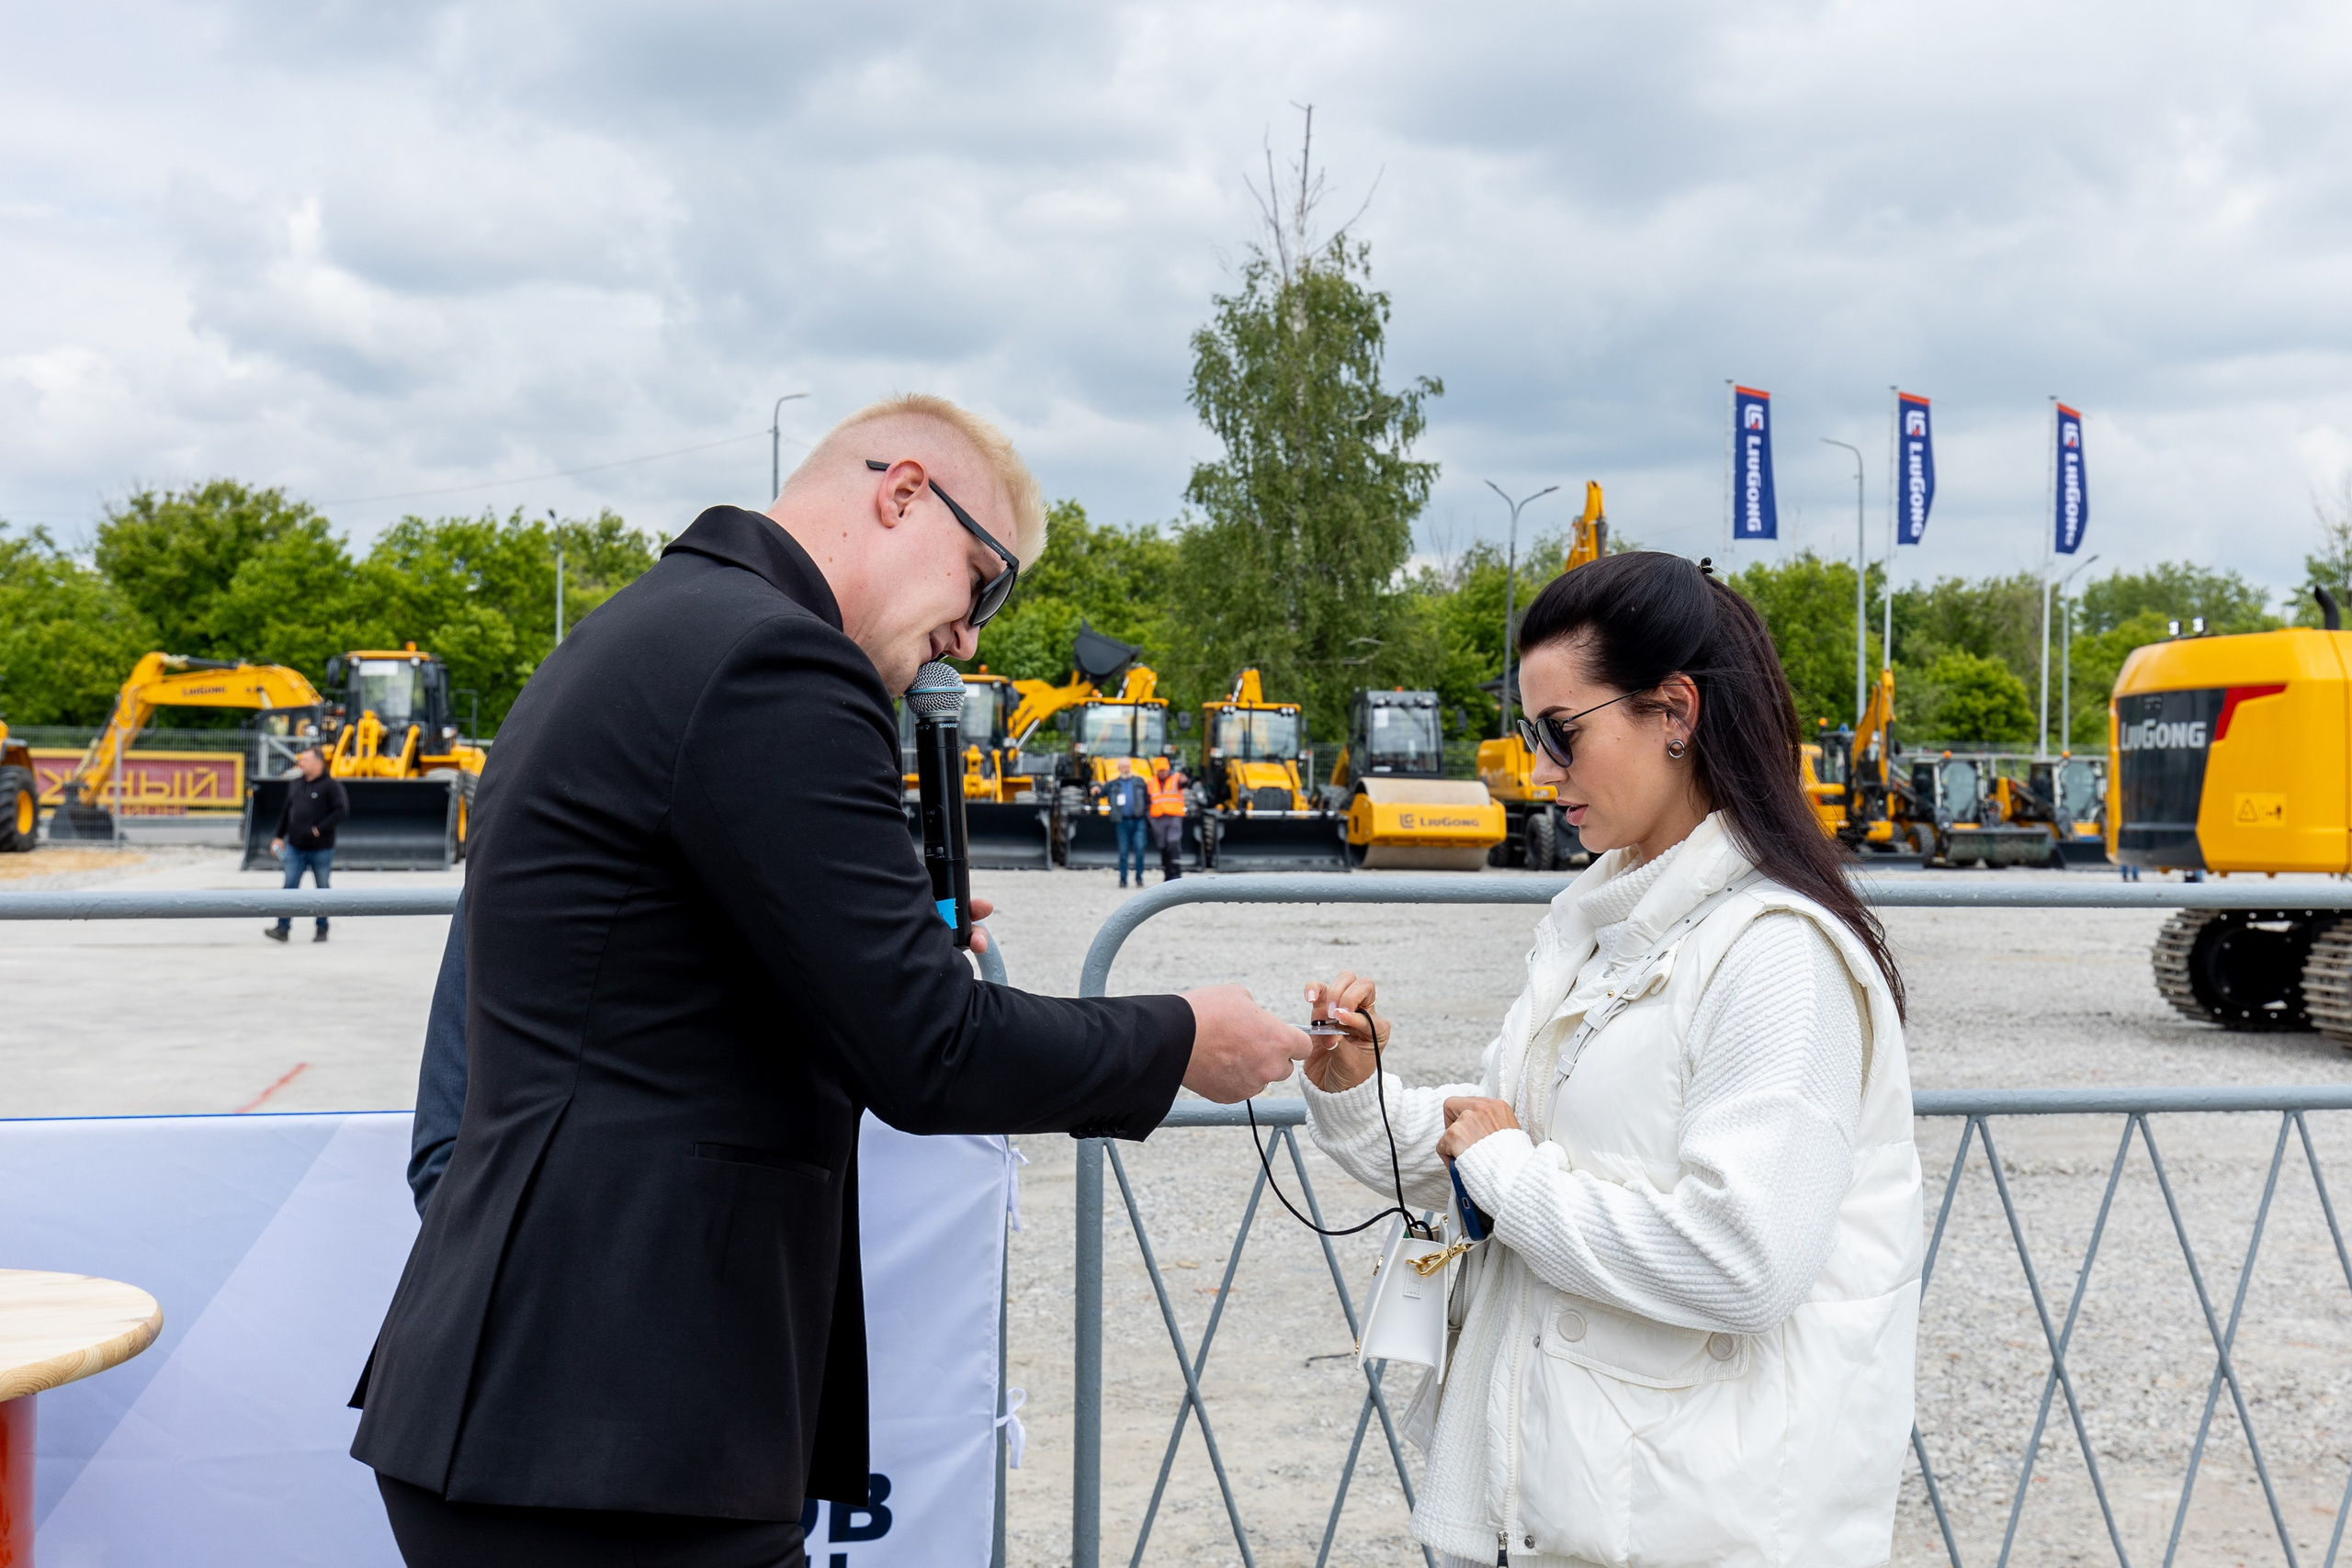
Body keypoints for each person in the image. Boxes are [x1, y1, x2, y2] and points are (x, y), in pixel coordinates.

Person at [351, 394, 1309, 1567]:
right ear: (904, 491)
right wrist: (1176, 1039)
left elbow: (637, 993)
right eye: (984, 578)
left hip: (554, 1405)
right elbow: (930, 1052)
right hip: (613, 1428)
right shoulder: (772, 658)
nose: (969, 636)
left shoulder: (636, 634)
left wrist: (871, 948)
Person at [1300, 551, 1920, 1568]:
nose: (1541, 770)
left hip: (1693, 1524)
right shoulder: (1597, 927)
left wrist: (1504, 1170)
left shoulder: (1775, 954)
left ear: (1674, 711)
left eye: (1560, 733)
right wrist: (1354, 1093)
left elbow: (1741, 1260)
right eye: (1528, 735)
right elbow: (1485, 1146)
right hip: (1570, 1497)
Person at [265, 746, 346, 943]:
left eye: (305, 760)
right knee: (289, 887)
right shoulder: (295, 785)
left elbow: (341, 810)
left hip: (321, 849)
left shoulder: (331, 786)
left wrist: (320, 828)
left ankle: (321, 929)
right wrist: (278, 837)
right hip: (295, 847)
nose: (301, 763)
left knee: (322, 889)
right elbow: (286, 812)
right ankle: (282, 928)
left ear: (319, 763)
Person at [1097, 757, 1150, 886]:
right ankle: (1123, 879)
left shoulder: (1140, 782)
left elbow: (1148, 798)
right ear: (1119, 768)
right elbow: (1101, 792)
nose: (1126, 769)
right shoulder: (1113, 784)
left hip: (1138, 821)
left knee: (1140, 848)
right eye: (1123, 766)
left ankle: (1139, 877)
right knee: (1123, 851)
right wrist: (1095, 788)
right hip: (1122, 822)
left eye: (1127, 766)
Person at [1147, 752, 1187, 881]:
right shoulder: (1151, 782)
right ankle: (1167, 873)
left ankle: (1176, 873)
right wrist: (1149, 818)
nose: (1162, 772)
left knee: (1173, 843)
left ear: (1168, 768)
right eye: (1160, 770)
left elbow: (1185, 783)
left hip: (1174, 816)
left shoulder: (1176, 778)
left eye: (1164, 770)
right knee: (1162, 846)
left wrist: (1185, 780)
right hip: (1158, 819)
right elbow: (1147, 800)